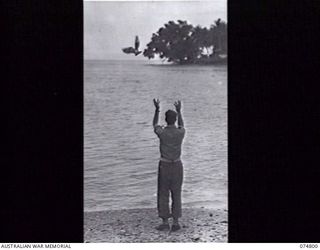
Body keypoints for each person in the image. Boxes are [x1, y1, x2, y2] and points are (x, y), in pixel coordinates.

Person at [152, 98, 185, 231]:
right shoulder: (180, 133)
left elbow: (154, 124)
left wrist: (156, 109)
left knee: (163, 192)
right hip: (177, 164)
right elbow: (182, 125)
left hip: (165, 165)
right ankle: (176, 222)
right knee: (176, 192)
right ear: (175, 120)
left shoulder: (163, 133)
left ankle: (165, 221)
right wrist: (179, 111)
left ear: (166, 120)